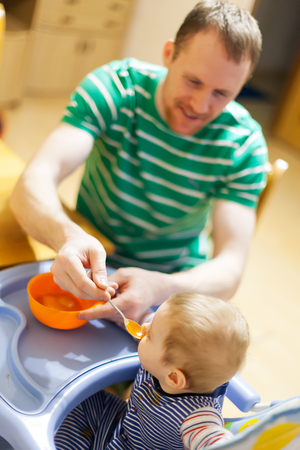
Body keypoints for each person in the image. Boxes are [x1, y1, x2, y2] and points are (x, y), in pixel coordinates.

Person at [10, 1, 268, 325]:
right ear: (169, 54)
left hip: (173, 286)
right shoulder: (117, 88)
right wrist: (67, 237)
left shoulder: (244, 143)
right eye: (193, 82)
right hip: (90, 263)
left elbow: (230, 267)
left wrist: (162, 286)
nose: (200, 105)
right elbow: (33, 181)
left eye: (222, 93)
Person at [54, 292, 250, 450]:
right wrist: (115, 303)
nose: (145, 327)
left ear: (174, 377)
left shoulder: (198, 416)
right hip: (120, 423)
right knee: (73, 403)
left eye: (151, 334)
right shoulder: (169, 352)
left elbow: (211, 437)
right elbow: (141, 317)